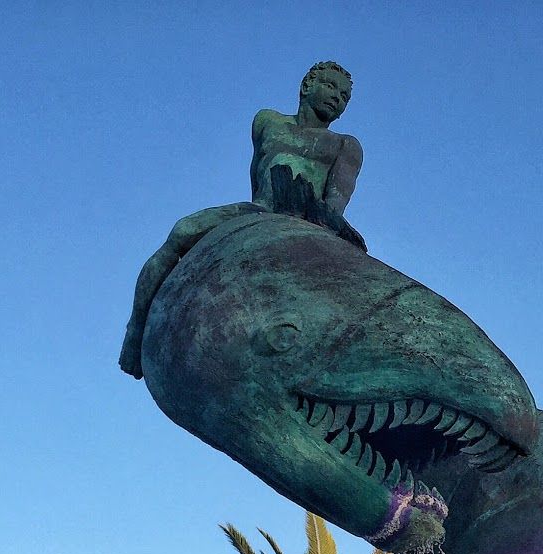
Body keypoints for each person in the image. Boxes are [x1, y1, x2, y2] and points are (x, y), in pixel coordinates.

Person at [120, 60, 367, 377]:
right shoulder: (267, 121)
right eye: (331, 87)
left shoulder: (346, 145)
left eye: (345, 96)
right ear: (307, 86)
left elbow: (337, 199)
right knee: (183, 230)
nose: (338, 98)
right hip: (261, 210)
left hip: (310, 220)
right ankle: (136, 329)